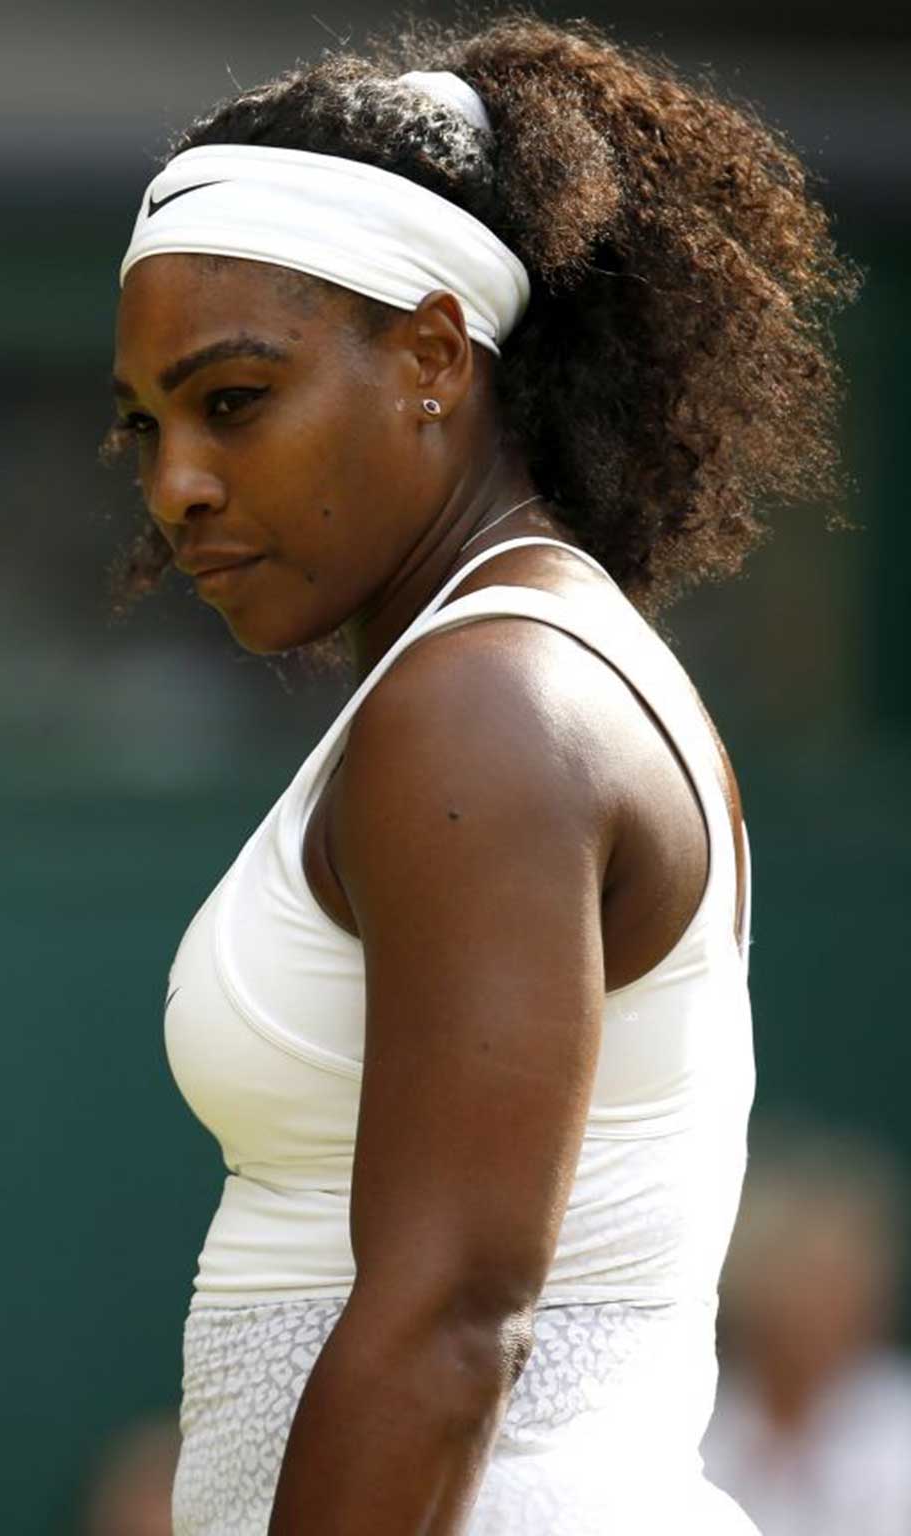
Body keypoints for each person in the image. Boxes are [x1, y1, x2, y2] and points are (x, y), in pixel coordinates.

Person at [103, 15, 860, 1534]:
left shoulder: (488, 704)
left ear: (437, 354)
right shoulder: (498, 671)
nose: (178, 481)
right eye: (148, 425)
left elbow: (451, 1323)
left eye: (233, 400)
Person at [701, 1132, 911, 1534]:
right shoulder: (694, 1425)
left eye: (837, 1283)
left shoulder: (900, 1426)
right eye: (799, 1279)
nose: (815, 1309)